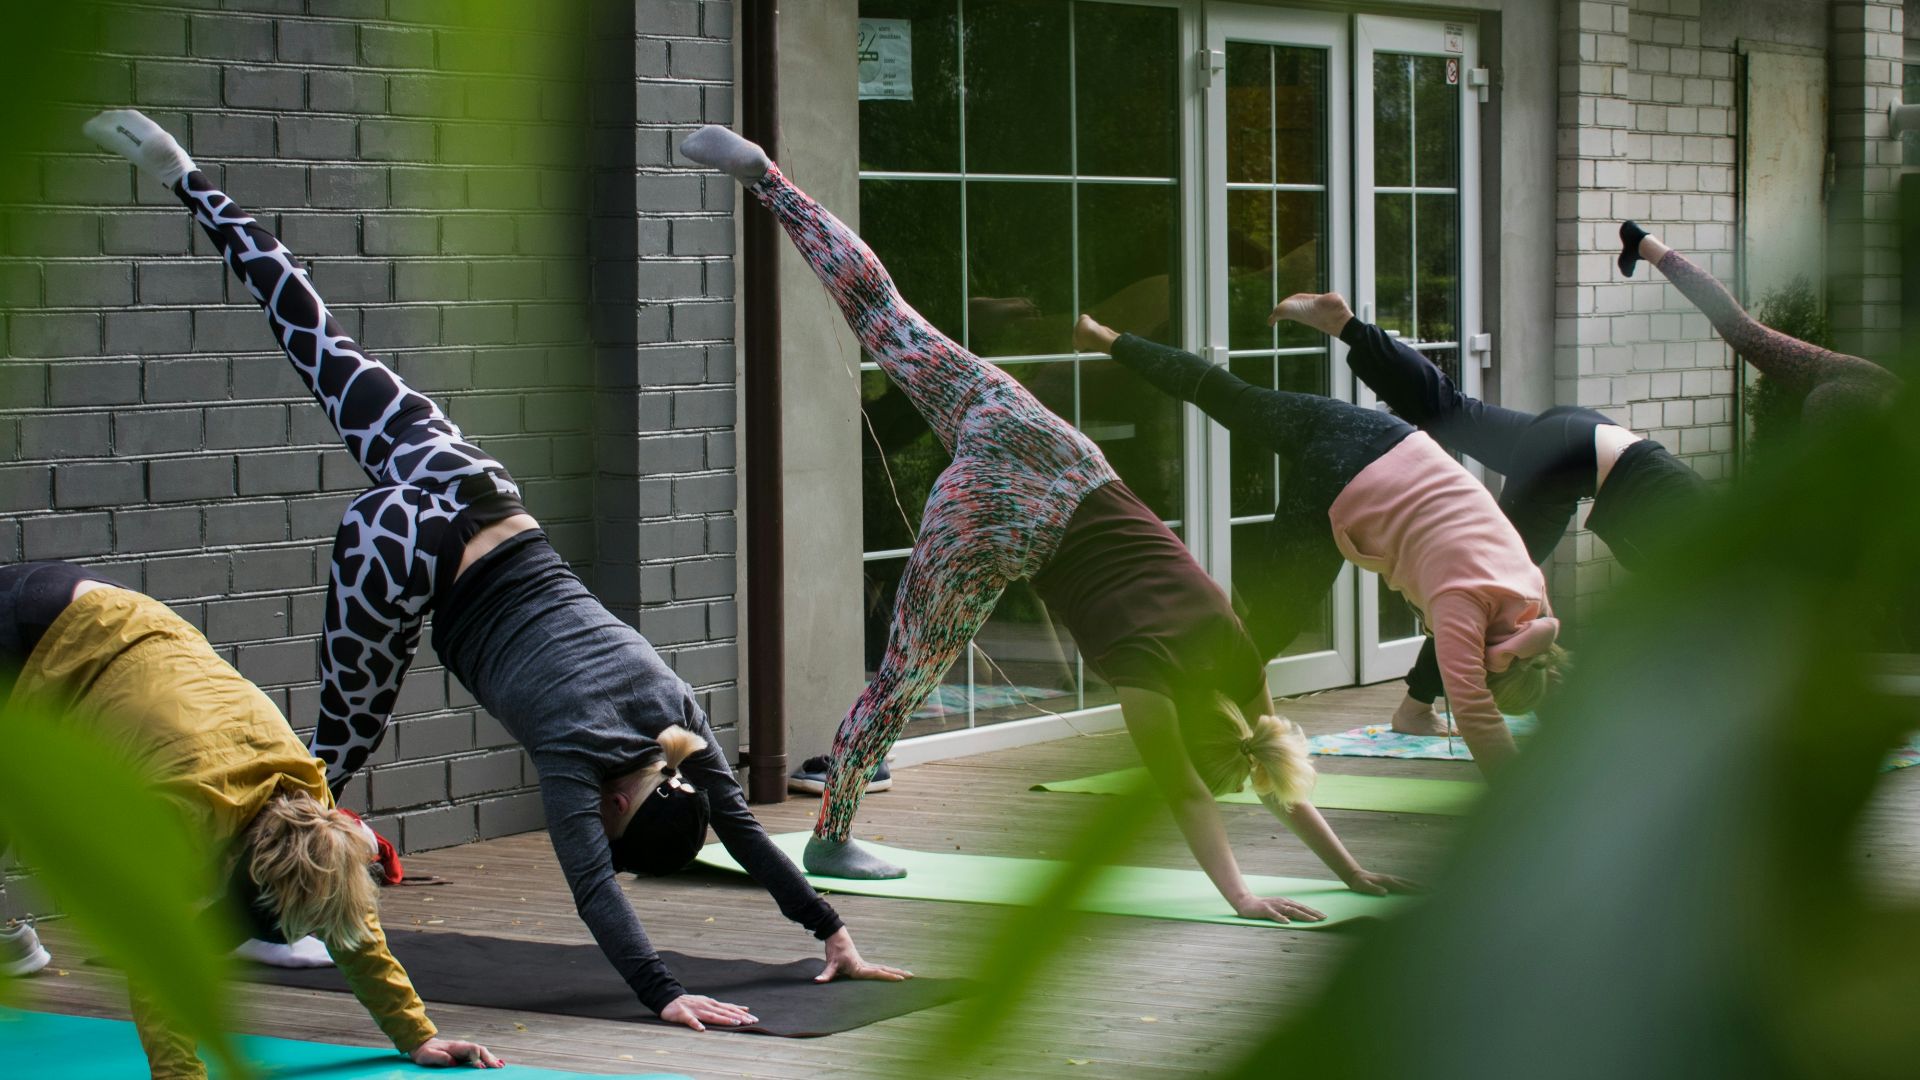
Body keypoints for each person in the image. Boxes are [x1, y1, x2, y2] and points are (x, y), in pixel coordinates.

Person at [83, 110, 905, 1033]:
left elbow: (747, 835)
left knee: (317, 335)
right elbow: (598, 894)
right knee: (322, 768)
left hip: (479, 494)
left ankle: (191, 178)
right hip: (404, 556)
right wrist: (663, 993)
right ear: (620, 810)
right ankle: (254, 913)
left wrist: (830, 930)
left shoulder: (680, 716)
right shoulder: (575, 762)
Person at [679, 124, 1416, 919]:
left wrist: (1353, 874)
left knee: (885, 316)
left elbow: (1272, 765)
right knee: (901, 680)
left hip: (1046, 444)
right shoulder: (1150, 689)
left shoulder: (1240, 665)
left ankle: (770, 183)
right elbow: (1193, 798)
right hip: (999, 523)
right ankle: (832, 834)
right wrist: (1241, 895)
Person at [0, 561, 500, 1077]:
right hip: (29, 631)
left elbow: (353, 927)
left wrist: (419, 1034)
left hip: (118, 615)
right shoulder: (180, 814)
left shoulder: (310, 803)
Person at [1068, 307, 1568, 783]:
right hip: (1343, 478)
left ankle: (1105, 338)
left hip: (1380, 434)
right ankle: (1198, 723)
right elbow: (1475, 712)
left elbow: (1537, 666)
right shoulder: (1465, 605)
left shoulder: (1530, 590)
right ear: (1493, 669)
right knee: (1275, 621)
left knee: (1228, 394)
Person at [1268, 291, 1706, 736]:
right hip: (1567, 463)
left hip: (1586, 434)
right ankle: (1416, 708)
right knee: (1479, 583)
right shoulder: (1709, 565)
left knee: (1451, 411)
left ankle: (1348, 327)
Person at [1619, 221, 1901, 424]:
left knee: (1741, 329)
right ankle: (1643, 244)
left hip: (1852, 377)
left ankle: (1645, 244)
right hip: (1848, 397)